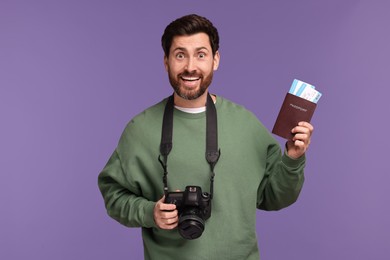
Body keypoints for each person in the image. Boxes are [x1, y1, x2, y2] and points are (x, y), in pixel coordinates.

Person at [98, 14, 314, 260]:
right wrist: (150, 212)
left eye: (201, 54)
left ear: (215, 60)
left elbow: (275, 197)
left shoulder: (246, 125)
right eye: (180, 55)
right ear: (166, 62)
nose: (190, 66)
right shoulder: (140, 130)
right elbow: (113, 195)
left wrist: (293, 158)